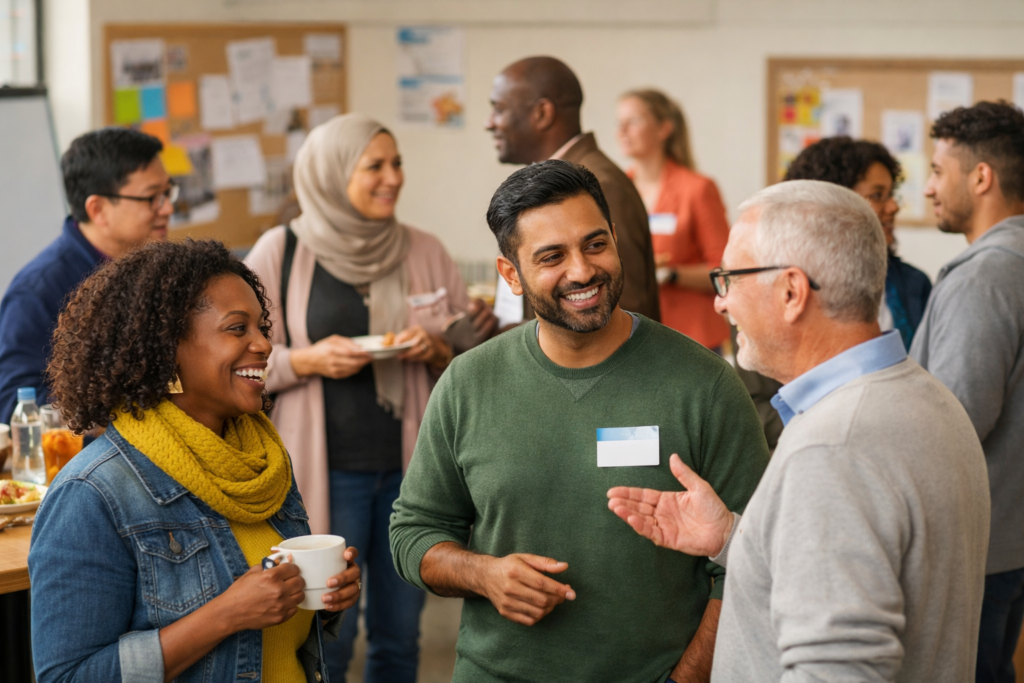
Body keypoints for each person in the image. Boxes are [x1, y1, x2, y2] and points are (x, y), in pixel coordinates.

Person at [390, 160, 768, 683]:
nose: (583, 270)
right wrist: (484, 574)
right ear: (510, 275)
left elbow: (751, 563)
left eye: (595, 244)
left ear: (615, 238)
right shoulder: (467, 383)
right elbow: (414, 532)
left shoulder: (706, 386)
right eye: (551, 256)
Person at [608, 180, 991, 682]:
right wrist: (734, 538)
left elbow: (838, 671)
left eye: (730, 280)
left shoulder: (835, 447)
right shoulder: (926, 397)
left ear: (791, 292)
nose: (721, 304)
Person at [29, 239, 362, 683]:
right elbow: (68, 676)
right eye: (237, 328)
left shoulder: (261, 462)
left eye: (262, 327)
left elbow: (272, 640)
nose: (263, 344)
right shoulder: (93, 493)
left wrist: (319, 598)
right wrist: (225, 615)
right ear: (168, 350)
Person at [246, 113, 492, 683]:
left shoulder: (425, 249)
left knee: (400, 635)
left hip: (413, 476)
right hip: (321, 476)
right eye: (374, 166)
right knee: (330, 633)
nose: (392, 177)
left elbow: (469, 361)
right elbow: (238, 361)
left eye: (397, 163)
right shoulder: (278, 251)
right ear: (332, 175)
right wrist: (308, 361)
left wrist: (435, 347)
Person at [909, 101, 1024, 683]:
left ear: (981, 177)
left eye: (936, 170)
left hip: (979, 550)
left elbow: (953, 419)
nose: (928, 188)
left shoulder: (985, 274)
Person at [0, 127, 172, 423]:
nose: (167, 208)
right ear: (98, 209)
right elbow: (16, 404)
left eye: (168, 192)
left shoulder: (160, 268)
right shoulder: (38, 291)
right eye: (152, 197)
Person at [486, 56, 660, 322]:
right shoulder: (556, 185)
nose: (490, 123)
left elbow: (620, 313)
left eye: (499, 109)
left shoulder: (596, 186)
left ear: (542, 114)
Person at [785, 136, 932, 348]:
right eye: (877, 195)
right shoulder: (786, 284)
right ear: (832, 204)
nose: (893, 207)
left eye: (892, 195)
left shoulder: (914, 284)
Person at [617, 89, 730, 350]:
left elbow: (724, 272)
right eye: (618, 123)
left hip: (692, 337)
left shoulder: (698, 189)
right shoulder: (616, 188)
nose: (621, 131)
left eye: (632, 121)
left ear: (663, 128)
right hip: (632, 335)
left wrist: (670, 274)